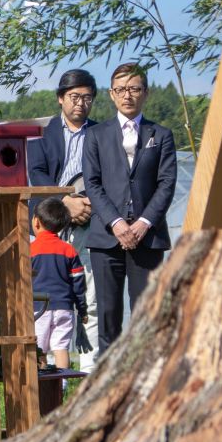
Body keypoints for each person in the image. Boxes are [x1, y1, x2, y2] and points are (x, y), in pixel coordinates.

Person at [83, 62, 177, 353]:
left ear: (145, 93)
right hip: (106, 238)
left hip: (147, 238)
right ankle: (109, 385)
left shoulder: (160, 135)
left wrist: (143, 223)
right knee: (108, 315)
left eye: (134, 89)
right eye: (121, 90)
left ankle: (144, 383)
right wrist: (117, 223)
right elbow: (92, 184)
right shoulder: (96, 135)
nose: (127, 95)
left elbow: (167, 184)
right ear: (111, 95)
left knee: (145, 315)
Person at [27, 68, 100, 367]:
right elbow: (37, 174)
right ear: (60, 98)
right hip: (48, 223)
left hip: (89, 220)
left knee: (89, 294)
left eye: (87, 97)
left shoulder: (102, 132)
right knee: (43, 296)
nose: (80, 103)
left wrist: (85, 206)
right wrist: (64, 203)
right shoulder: (41, 134)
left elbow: (110, 177)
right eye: (74, 96)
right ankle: (41, 368)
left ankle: (89, 370)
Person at [29, 196, 87, 370]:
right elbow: (78, 283)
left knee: (39, 350)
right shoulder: (69, 250)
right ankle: (62, 383)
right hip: (64, 307)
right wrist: (82, 309)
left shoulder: (29, 250)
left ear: (36, 222)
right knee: (61, 347)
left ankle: (42, 385)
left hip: (38, 308)